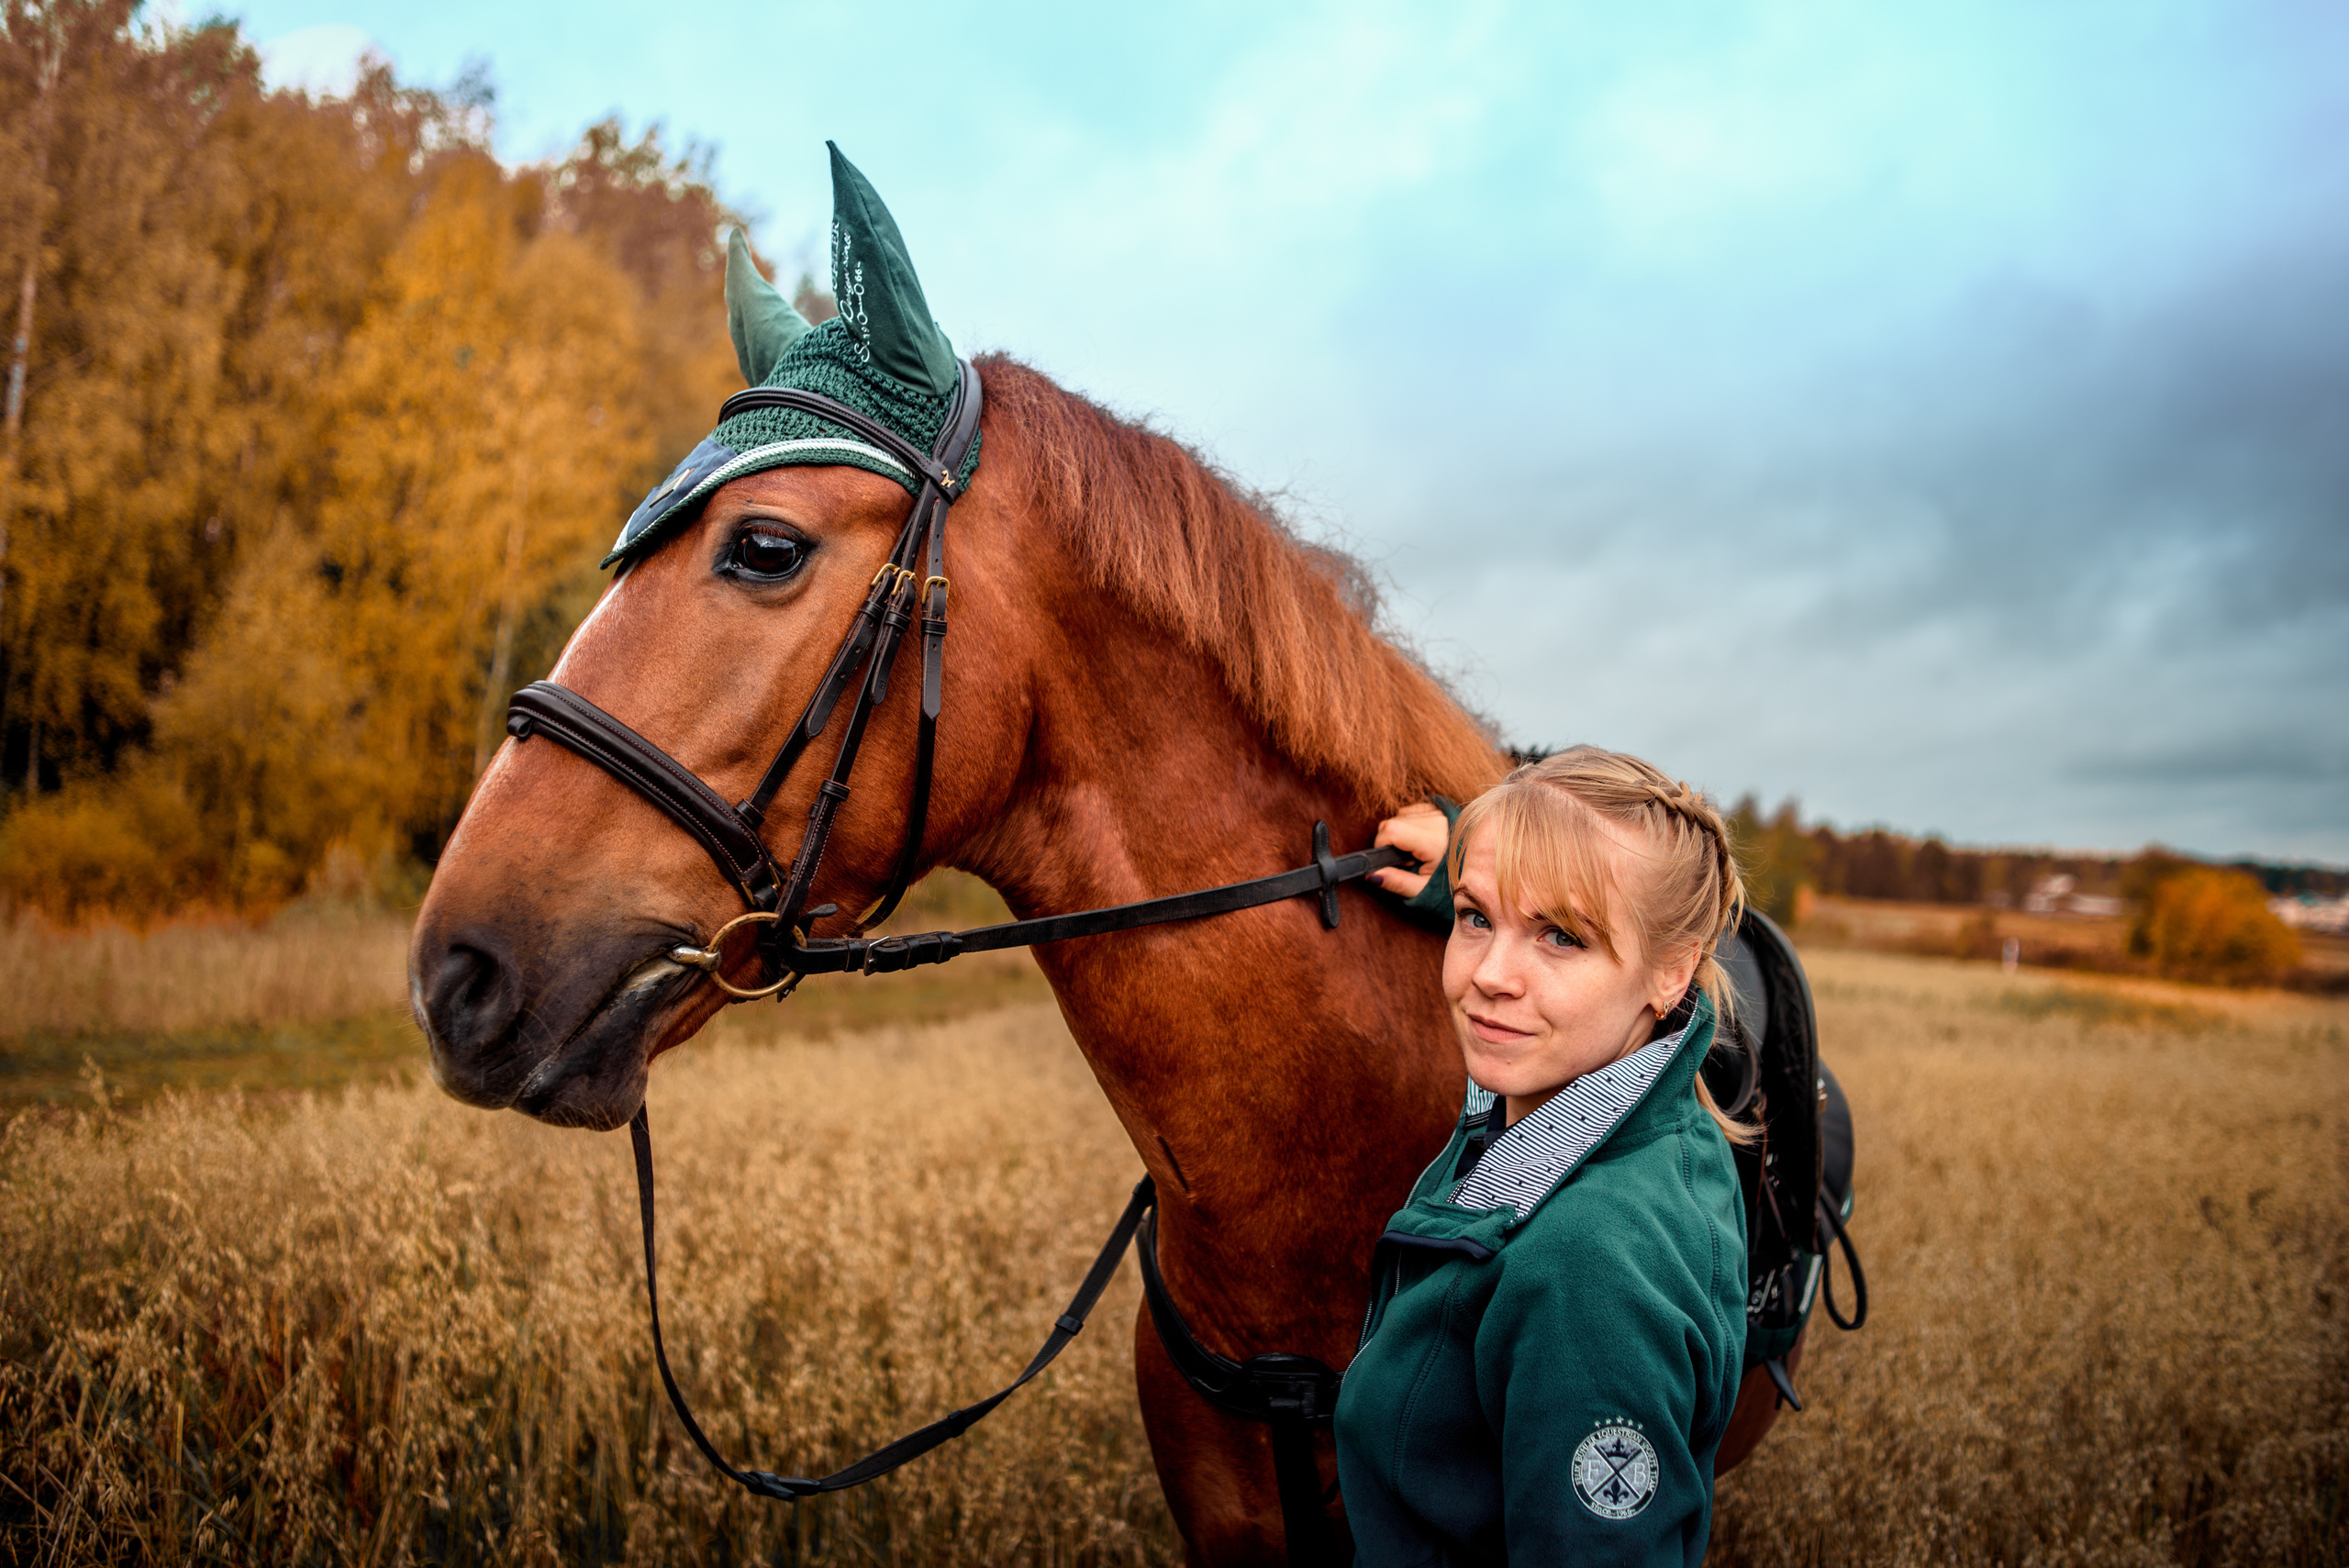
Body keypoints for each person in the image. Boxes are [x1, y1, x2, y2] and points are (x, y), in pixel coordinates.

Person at [1335, 745, 1753, 1567]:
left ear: (1671, 971)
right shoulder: (1608, 1118)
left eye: (1561, 935)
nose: (1490, 974)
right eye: (1475, 916)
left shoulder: (1586, 1273)